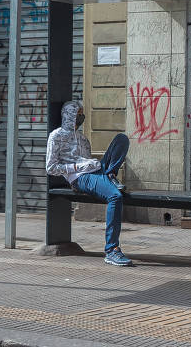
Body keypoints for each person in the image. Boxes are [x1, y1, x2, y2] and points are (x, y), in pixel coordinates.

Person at [46, 101, 132, 267]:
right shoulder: (56, 136)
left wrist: (92, 163)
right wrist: (78, 166)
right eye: (78, 114)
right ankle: (112, 250)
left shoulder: (83, 139)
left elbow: (87, 161)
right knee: (115, 196)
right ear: (69, 115)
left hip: (94, 171)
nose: (81, 117)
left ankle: (110, 174)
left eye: (82, 114)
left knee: (121, 139)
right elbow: (51, 167)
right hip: (79, 177)